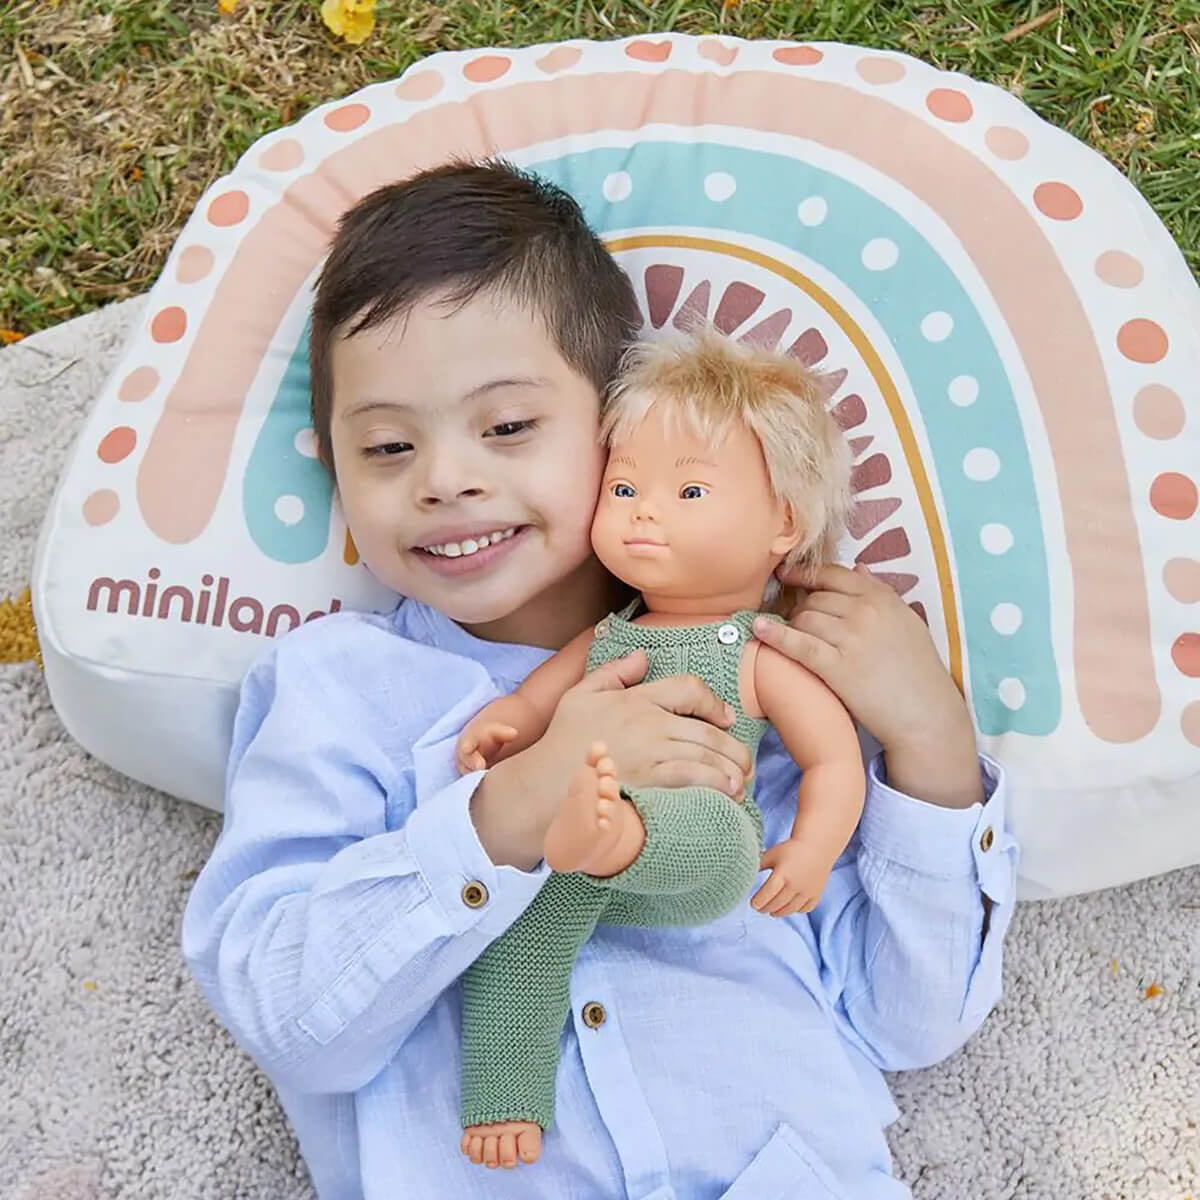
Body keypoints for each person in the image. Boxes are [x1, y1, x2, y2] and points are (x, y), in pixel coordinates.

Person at [182, 160, 1018, 1200]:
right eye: (388, 446)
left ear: (619, 429)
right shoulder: (337, 689)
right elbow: (289, 1018)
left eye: (507, 427)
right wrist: (514, 806)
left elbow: (911, 1021)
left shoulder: (752, 678)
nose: (445, 479)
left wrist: (932, 741)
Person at [452, 328, 868, 1166]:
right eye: (625, 486)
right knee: (524, 930)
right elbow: (539, 696)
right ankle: (503, 1094)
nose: (643, 510)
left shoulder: (758, 655)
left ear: (783, 522)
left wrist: (814, 848)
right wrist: (508, 721)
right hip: (577, 859)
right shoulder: (612, 635)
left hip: (697, 853)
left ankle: (613, 834)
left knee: (719, 833)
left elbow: (833, 759)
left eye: (689, 491)